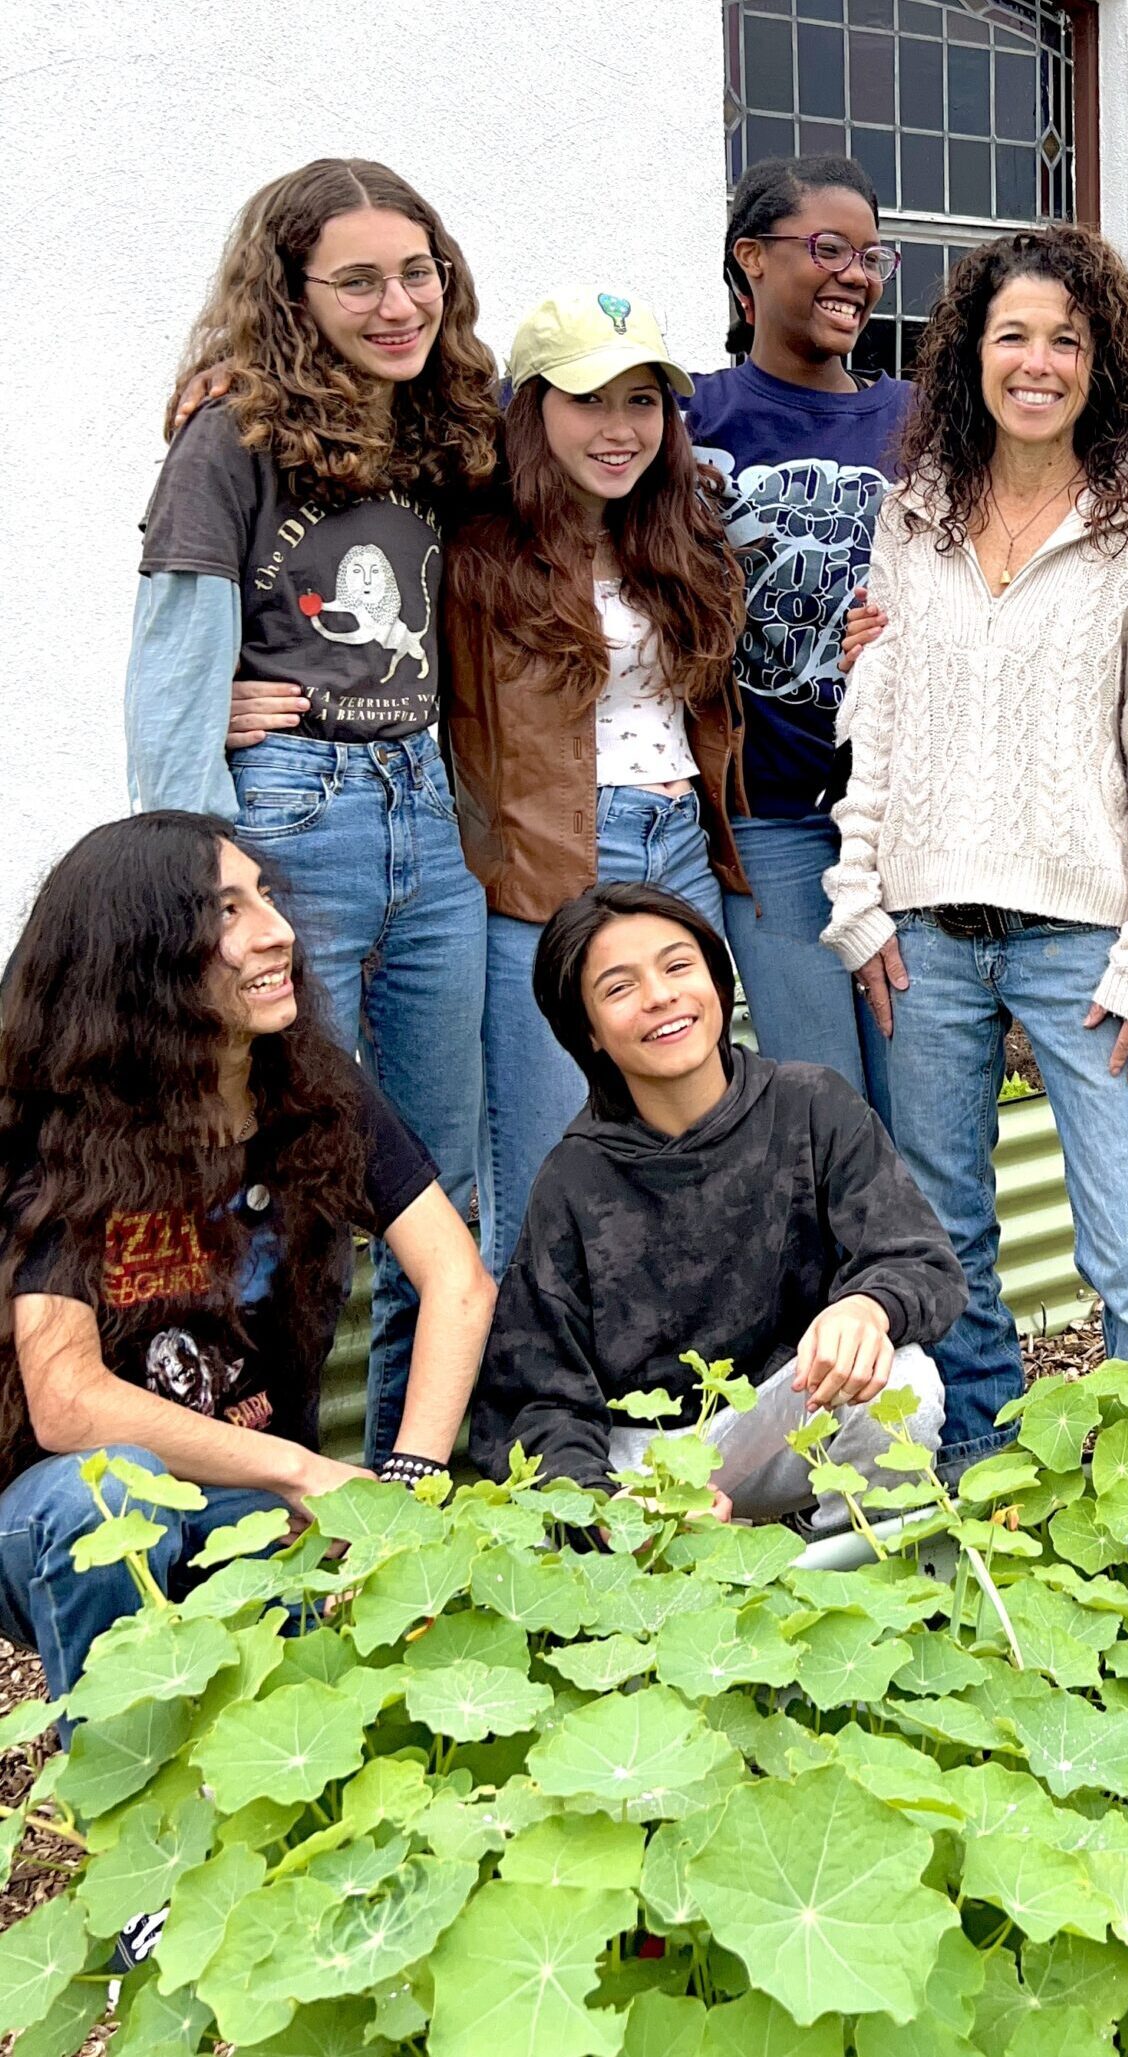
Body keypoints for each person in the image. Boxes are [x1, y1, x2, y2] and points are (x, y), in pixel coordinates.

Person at [820, 224, 1128, 1469]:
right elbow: (874, 719)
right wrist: (859, 899)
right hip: (924, 936)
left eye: (1066, 339)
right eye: (1012, 337)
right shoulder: (915, 515)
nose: (1037, 362)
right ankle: (981, 1485)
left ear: (1099, 362)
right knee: (946, 1245)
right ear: (968, 356)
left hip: (1084, 943)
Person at [125, 158, 499, 1466]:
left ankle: (418, 1479)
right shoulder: (225, 442)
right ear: (290, 293)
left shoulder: (449, 418)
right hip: (292, 824)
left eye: (417, 271)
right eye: (357, 280)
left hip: (431, 821)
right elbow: (172, 680)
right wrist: (202, 899)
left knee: (436, 1181)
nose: (398, 303)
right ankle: (269, 1484)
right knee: (292, 1175)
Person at [0, 815, 493, 1702]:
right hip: (62, 1512)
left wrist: (408, 1483)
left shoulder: (316, 1091)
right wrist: (308, 1470)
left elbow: (457, 1277)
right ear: (142, 953)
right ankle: (132, 1802)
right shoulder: (61, 1122)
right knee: (116, 1495)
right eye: (225, 910)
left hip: (248, 1506)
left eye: (265, 894)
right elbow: (69, 1406)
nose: (277, 930)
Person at [470, 884, 963, 1531]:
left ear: (715, 977)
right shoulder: (573, 1177)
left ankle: (858, 1575)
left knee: (901, 1379)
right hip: (641, 1466)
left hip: (780, 1419)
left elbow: (920, 1259)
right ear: (587, 1031)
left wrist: (866, 1306)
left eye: (677, 966)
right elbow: (536, 1395)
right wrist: (605, 1506)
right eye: (618, 988)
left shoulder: (813, 1104)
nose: (659, 996)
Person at [443, 290, 748, 1276]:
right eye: (589, 400)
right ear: (530, 408)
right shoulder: (477, 548)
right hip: (549, 864)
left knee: (683, 1133)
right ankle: (524, 1417)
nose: (620, 430)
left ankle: (674, 1406)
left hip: (679, 852)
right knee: (542, 1155)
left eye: (643, 401)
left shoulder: (674, 536)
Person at [685, 155, 913, 1117]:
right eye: (827, 248)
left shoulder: (915, 418)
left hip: (906, 824)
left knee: (919, 1108)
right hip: (768, 820)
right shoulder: (688, 412)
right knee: (823, 1105)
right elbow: (522, 425)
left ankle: (921, 1276)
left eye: (871, 256)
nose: (854, 275)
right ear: (751, 261)